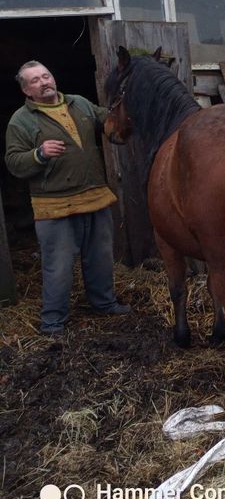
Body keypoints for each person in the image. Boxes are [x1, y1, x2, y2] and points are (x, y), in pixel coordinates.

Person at [4, 60, 129, 335]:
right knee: (58, 266)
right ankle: (53, 320)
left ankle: (104, 303)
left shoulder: (79, 104)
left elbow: (108, 123)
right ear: (27, 91)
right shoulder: (21, 120)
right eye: (35, 80)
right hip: (55, 206)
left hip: (94, 197)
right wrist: (39, 153)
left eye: (46, 75)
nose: (44, 81)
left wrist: (123, 121)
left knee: (100, 258)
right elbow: (13, 163)